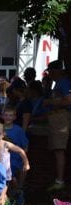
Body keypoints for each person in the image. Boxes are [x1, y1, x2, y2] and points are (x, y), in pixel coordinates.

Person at [42, 60, 71, 192]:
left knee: (59, 150)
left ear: (56, 71)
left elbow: (68, 100)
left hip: (61, 119)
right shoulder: (59, 83)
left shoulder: (63, 82)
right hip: (59, 119)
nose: (50, 74)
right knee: (58, 150)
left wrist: (49, 102)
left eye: (51, 71)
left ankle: (60, 180)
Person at [1, 106, 29, 205]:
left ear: (15, 117)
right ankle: (14, 193)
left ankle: (18, 191)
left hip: (14, 159)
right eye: (6, 115)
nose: (8, 117)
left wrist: (23, 159)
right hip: (1, 158)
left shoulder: (18, 130)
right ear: (2, 116)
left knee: (11, 177)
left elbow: (25, 146)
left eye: (11, 115)